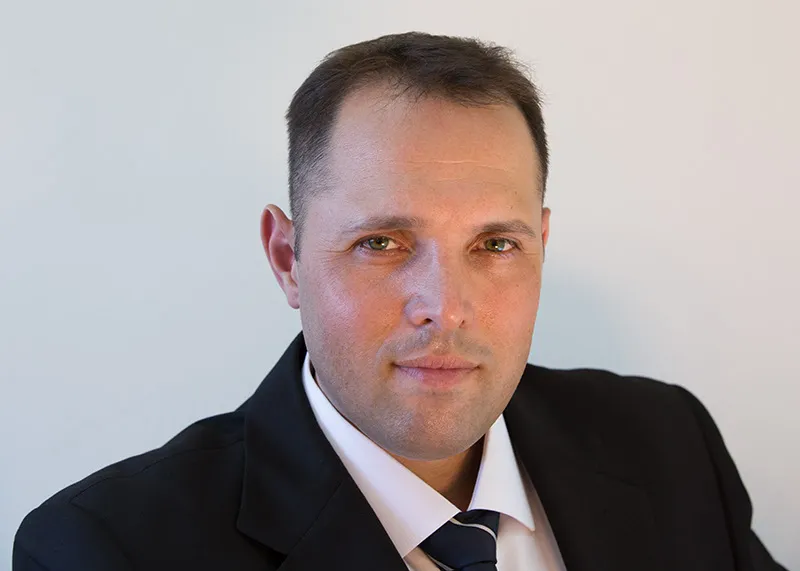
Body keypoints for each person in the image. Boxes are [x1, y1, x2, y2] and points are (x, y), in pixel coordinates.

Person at [13, 31, 787, 571]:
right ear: (286, 258)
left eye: (495, 244)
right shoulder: (105, 550)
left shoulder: (668, 446)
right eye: (382, 242)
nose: (445, 308)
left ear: (541, 247)